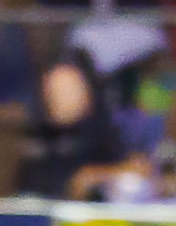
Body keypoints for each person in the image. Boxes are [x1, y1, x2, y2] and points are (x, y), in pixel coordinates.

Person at [20, 55, 138, 199]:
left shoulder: (103, 131)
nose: (64, 96)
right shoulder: (31, 132)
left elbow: (138, 168)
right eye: (56, 88)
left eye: (70, 89)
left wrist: (92, 175)